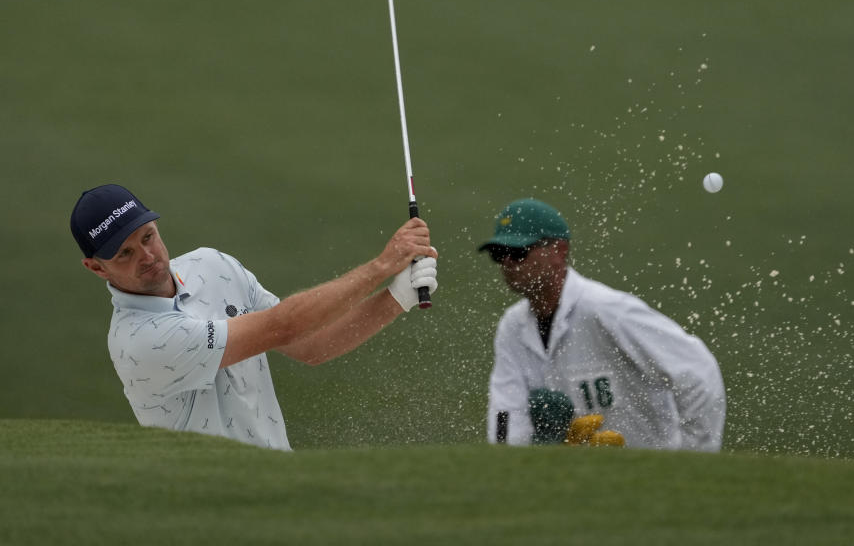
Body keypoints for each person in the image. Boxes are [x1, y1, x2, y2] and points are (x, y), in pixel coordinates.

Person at [70, 184, 438, 450]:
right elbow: (283, 326)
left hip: (277, 484)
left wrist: (397, 296)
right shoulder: (139, 342)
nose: (147, 256)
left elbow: (309, 345)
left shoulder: (211, 265)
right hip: (213, 511)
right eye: (125, 253)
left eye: (148, 237)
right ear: (96, 268)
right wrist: (380, 266)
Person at [479, 198, 725, 450]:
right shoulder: (512, 328)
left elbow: (698, 373)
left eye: (519, 253)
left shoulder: (608, 311)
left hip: (650, 478)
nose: (507, 263)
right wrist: (523, 462)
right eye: (499, 254)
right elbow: (506, 414)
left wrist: (690, 460)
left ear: (559, 251)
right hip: (575, 482)